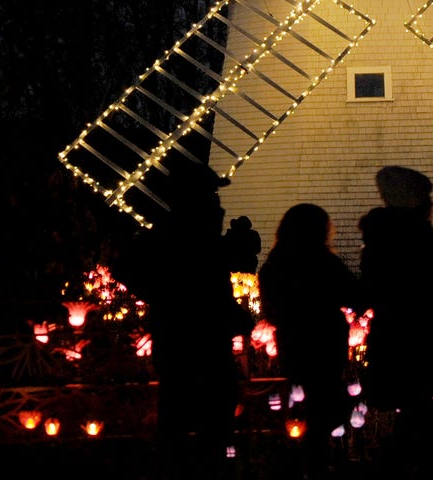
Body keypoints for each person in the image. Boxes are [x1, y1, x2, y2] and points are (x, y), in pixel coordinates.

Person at [110, 158, 251, 479]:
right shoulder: (185, 237)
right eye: (211, 194)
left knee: (185, 417)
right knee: (202, 418)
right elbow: (202, 289)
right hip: (195, 346)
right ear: (194, 197)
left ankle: (186, 469)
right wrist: (174, 300)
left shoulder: (180, 236)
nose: (217, 201)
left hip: (185, 343)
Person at [357, 166, 433, 480]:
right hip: (421, 338)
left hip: (392, 337)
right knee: (421, 411)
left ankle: (410, 463)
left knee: (415, 413)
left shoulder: (377, 241)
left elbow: (370, 291)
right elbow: (431, 293)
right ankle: (419, 466)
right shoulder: (419, 239)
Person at [257, 203, 364, 479]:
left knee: (297, 402)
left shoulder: (274, 265)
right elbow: (354, 295)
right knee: (324, 403)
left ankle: (295, 459)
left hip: (292, 342)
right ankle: (317, 460)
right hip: (324, 341)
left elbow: (270, 309)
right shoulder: (323, 262)